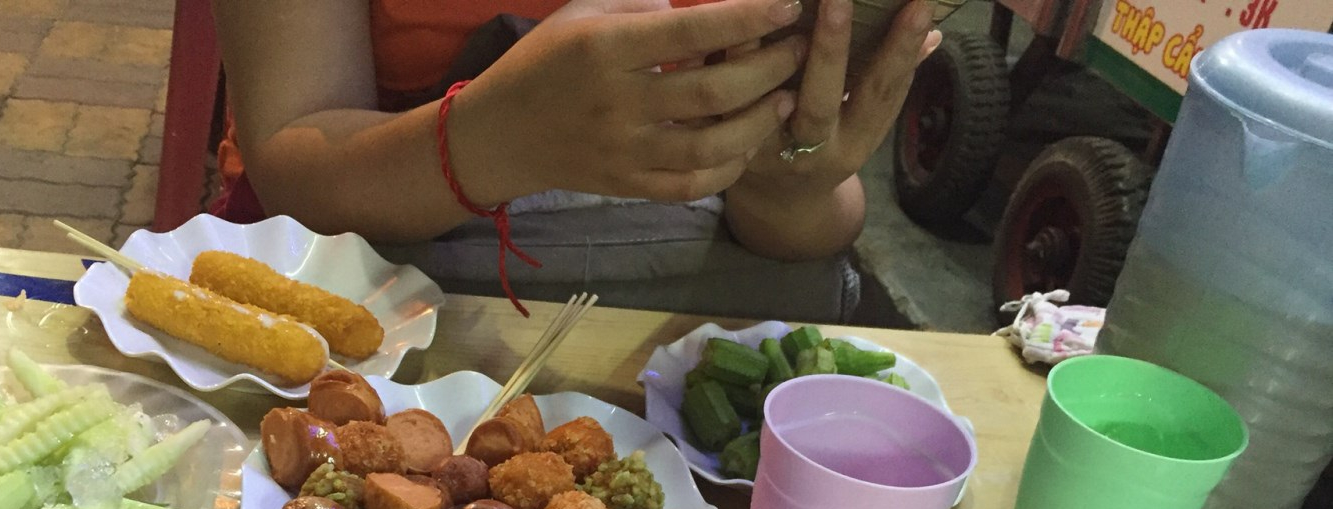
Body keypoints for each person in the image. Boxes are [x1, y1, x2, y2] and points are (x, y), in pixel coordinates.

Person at [209, 0, 941, 320]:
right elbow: (290, 160)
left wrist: (791, 182)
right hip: (373, 307)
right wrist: (496, 138)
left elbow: (813, 216)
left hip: (682, 362)